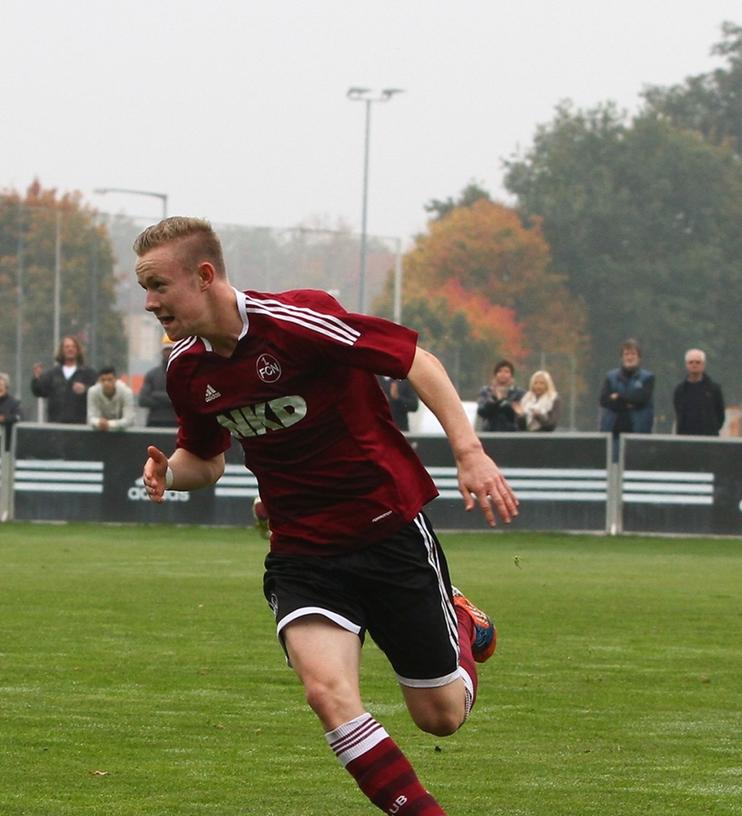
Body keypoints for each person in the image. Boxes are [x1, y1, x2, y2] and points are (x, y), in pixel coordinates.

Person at [133, 217, 518, 816]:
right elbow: (205, 459)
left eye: (158, 286)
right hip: (302, 553)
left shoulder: (297, 320)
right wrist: (170, 474)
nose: (150, 302)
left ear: (204, 276)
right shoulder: (186, 370)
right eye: (145, 289)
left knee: (440, 717)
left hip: (386, 529)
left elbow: (417, 360)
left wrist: (469, 452)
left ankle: (463, 624)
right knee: (326, 692)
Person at [31, 335, 97, 424]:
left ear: (78, 350)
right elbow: (39, 392)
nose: (70, 349)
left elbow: (98, 392)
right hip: (56, 424)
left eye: (73, 346)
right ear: (62, 350)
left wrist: (85, 389)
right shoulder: (52, 373)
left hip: (80, 425)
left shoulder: (88, 373)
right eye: (67, 347)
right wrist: (36, 378)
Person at [598, 339, 655, 436]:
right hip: (612, 433)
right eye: (626, 354)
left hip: (638, 434)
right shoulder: (610, 376)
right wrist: (629, 403)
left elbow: (640, 399)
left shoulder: (648, 377)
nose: (629, 357)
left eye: (633, 354)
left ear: (639, 357)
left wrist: (617, 398)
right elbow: (603, 400)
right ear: (621, 357)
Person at [672, 348, 725, 436]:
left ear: (704, 365)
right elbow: (678, 411)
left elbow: (720, 415)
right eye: (691, 362)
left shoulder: (714, 389)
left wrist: (712, 427)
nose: (694, 365)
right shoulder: (680, 390)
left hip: (708, 438)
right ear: (686, 365)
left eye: (698, 362)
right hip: (685, 437)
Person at [139, 340, 179, 427]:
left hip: (176, 423)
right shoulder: (152, 374)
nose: (168, 352)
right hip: (154, 422)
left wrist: (155, 394)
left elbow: (183, 400)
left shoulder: (182, 375)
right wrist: (170, 400)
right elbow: (143, 400)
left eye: (170, 349)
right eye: (166, 350)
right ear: (162, 352)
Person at [477, 360, 524, 433]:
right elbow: (481, 411)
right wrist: (495, 400)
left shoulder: (519, 393)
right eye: (500, 371)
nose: (503, 374)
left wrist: (503, 400)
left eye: (506, 371)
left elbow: (517, 415)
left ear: (511, 375)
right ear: (495, 374)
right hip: (490, 431)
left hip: (512, 433)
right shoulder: (486, 391)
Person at [87, 366, 137, 432]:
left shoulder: (126, 392)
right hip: (100, 432)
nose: (106, 383)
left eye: (109, 379)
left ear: (116, 379)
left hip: (124, 432)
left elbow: (129, 419)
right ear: (99, 380)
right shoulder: (92, 391)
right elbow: (90, 418)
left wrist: (108, 424)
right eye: (103, 380)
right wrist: (99, 423)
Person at [0, 372, 23, 450]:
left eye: (1, 386)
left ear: (7, 387)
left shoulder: (13, 403)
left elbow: (18, 417)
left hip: (6, 447)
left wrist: (4, 419)